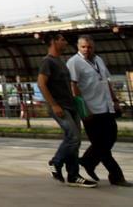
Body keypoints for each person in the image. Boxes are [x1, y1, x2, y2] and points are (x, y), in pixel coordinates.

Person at [68, 35, 130, 187]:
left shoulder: (99, 60)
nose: (87, 50)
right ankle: (116, 176)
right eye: (83, 47)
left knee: (110, 139)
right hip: (91, 110)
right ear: (78, 47)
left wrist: (115, 100)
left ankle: (87, 161)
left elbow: (106, 82)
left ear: (93, 47)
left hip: (106, 106)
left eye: (89, 47)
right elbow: (73, 87)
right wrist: (84, 108)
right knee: (100, 143)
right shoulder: (74, 62)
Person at [37, 33, 95, 188]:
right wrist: (54, 105)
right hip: (59, 106)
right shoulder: (47, 62)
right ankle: (55, 162)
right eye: (62, 40)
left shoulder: (61, 62)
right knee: (73, 137)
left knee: (75, 142)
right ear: (53, 42)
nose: (65, 42)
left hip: (71, 105)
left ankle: (73, 175)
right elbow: (41, 84)